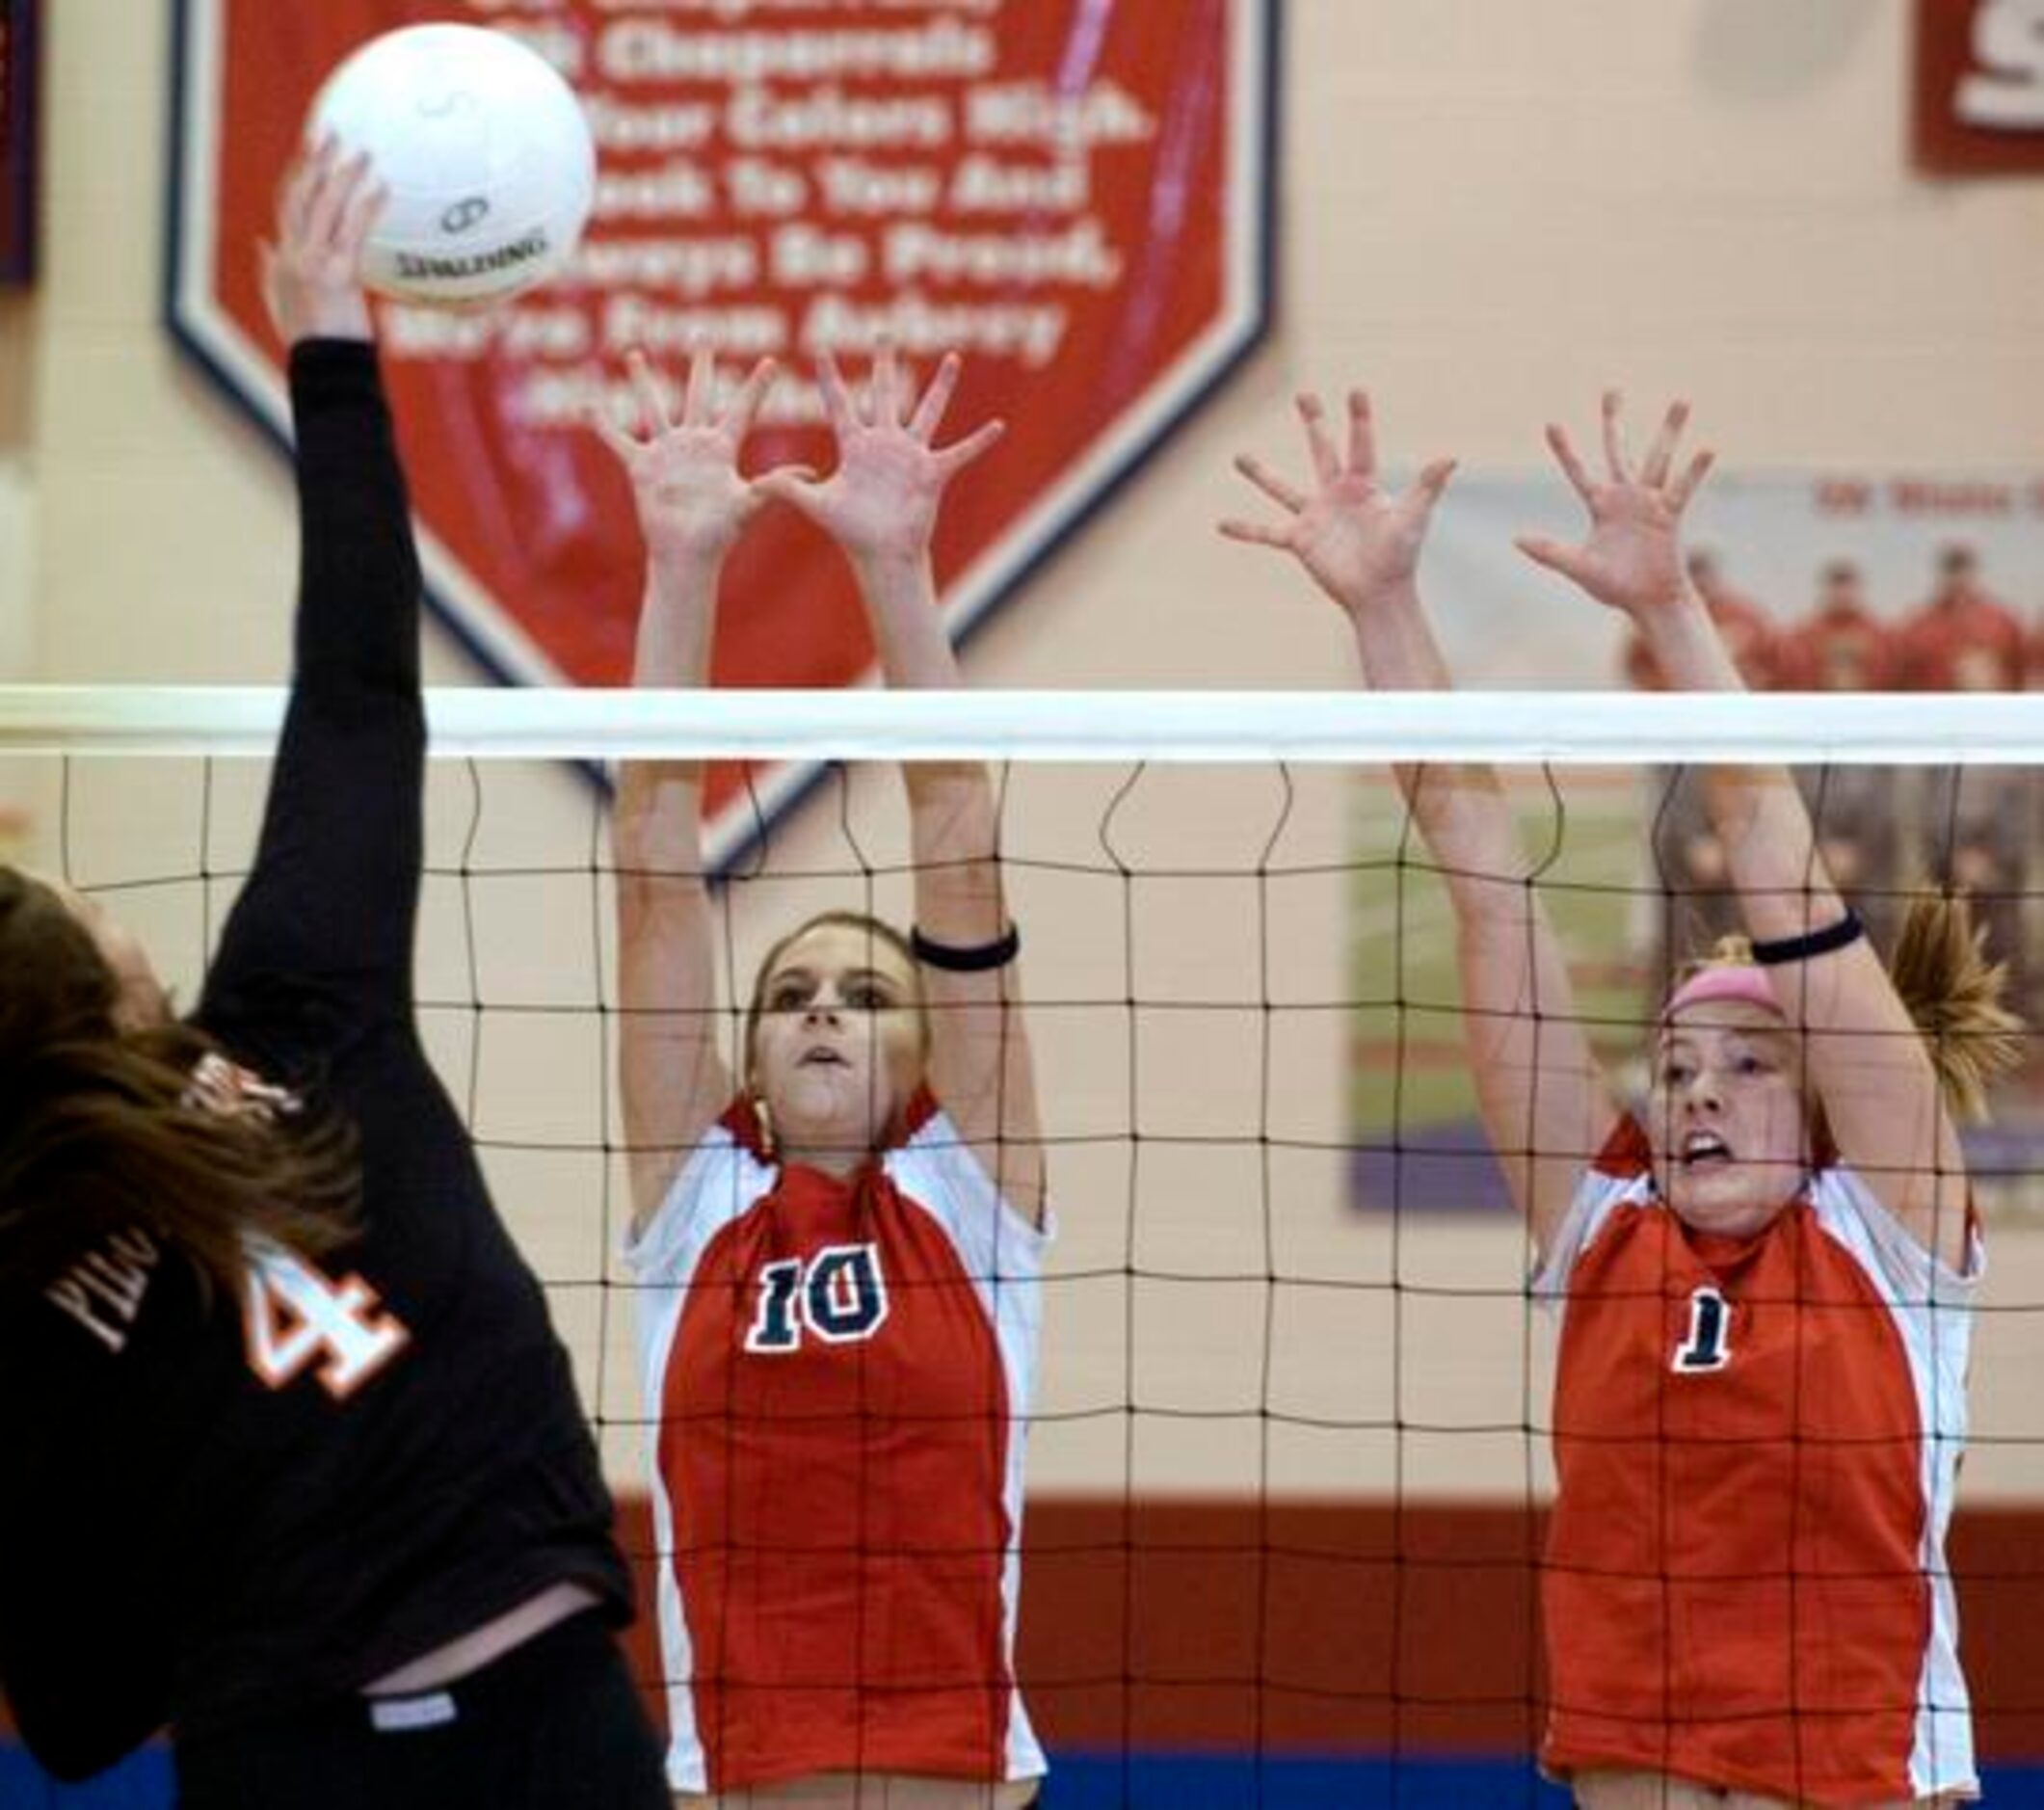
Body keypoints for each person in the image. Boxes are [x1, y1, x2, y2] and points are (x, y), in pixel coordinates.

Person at [1223, 386, 2020, 1808]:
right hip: (1631, 1761)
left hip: (1859, 1772)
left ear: (1829, 1101)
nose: (1695, 1092)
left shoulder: (1893, 1226)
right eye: (1671, 1068)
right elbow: (1478, 874)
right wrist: (1382, 608)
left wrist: (1669, 616)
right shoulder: (1602, 1230)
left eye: (1747, 1065)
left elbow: (1782, 880)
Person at [0, 143, 670, 1808]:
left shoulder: (12, 1313)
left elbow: (74, 1716)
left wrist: (215, 1518)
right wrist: (330, 354)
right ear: (110, 978)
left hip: (278, 1754)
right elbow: (361, 689)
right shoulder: (305, 1012)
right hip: (545, 1722)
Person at [598, 340, 1049, 1807]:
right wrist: (682, 567)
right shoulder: (698, 1193)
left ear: (925, 1045)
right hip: (725, 1772)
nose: (821, 1014)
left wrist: (895, 568)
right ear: (749, 1052)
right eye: (789, 994)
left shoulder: (966, 1190)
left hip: (946, 1764)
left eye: (866, 992)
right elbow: (656, 868)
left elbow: (959, 826)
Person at [1775, 559, 1902, 953]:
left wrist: (1862, 850)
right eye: (1836, 584)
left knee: (1878, 916)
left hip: (1871, 850)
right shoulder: (1803, 636)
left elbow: (1887, 806)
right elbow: (1797, 797)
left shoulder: (1883, 636)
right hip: (1817, 774)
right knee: (1813, 918)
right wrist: (1824, 844)